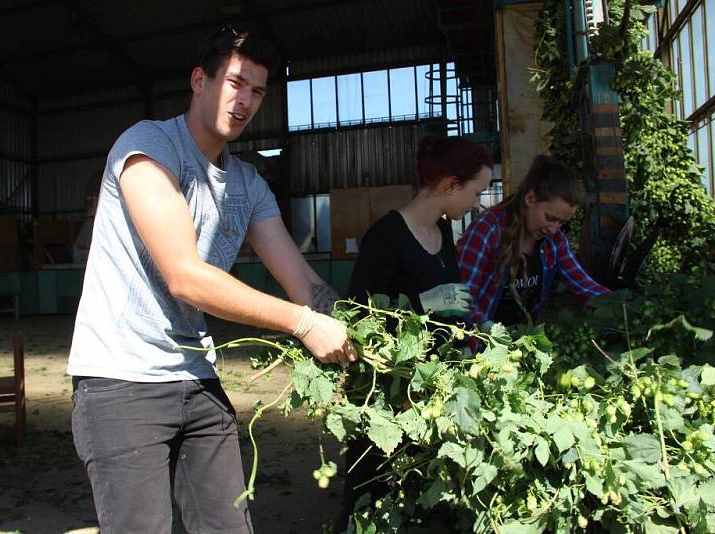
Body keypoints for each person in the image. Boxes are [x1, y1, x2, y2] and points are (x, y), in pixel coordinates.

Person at [67, 26, 356, 534]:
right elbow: (187, 278)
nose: (245, 101)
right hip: (121, 382)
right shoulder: (147, 147)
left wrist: (358, 330)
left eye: (258, 91)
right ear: (200, 80)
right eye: (236, 83)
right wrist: (304, 324)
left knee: (229, 527)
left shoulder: (247, 183)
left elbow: (301, 279)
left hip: (197, 380)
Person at [337, 135, 493, 530]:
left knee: (422, 499)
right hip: (388, 395)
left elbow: (451, 311)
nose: (477, 203)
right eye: (476, 193)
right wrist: (424, 304)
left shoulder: (445, 236)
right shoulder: (385, 238)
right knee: (371, 494)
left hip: (432, 394)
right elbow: (359, 321)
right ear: (450, 185)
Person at [457, 155, 609, 330]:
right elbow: (462, 299)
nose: (554, 228)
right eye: (550, 218)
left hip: (521, 343)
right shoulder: (487, 230)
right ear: (530, 198)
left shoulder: (554, 240)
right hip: (478, 345)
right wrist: (489, 330)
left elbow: (583, 284)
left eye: (561, 222)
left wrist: (619, 304)